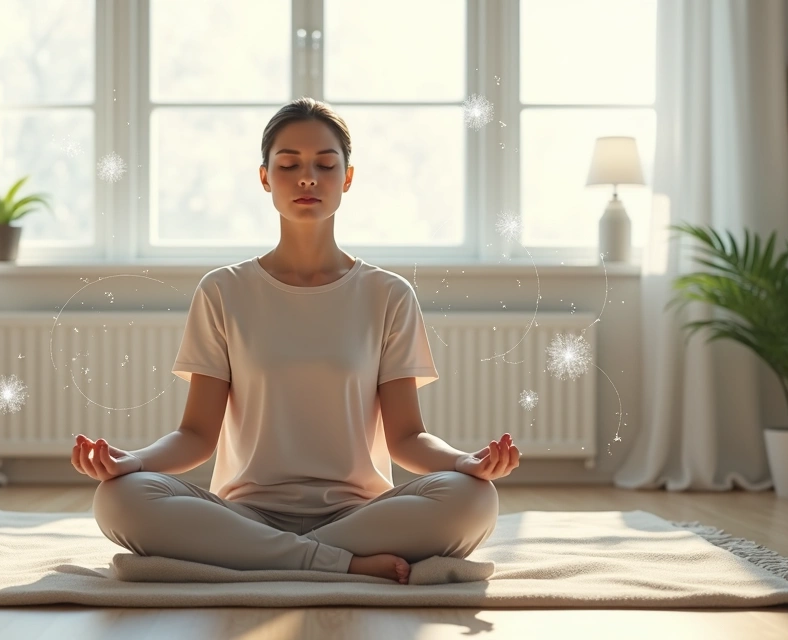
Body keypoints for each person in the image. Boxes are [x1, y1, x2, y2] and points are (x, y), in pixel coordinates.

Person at [72, 97, 520, 585]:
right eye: (289, 164)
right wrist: (131, 462)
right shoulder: (223, 291)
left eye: (325, 165)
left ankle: (264, 558)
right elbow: (197, 435)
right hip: (245, 514)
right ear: (265, 177)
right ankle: (336, 565)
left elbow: (407, 438)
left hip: (360, 517)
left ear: (347, 178)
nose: (307, 177)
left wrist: (465, 462)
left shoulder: (388, 295)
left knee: (475, 498)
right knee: (118, 498)